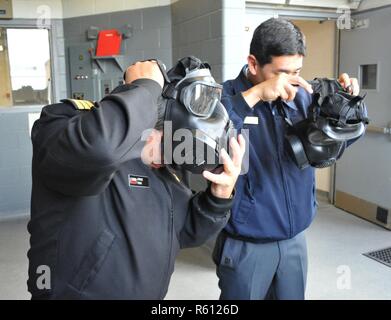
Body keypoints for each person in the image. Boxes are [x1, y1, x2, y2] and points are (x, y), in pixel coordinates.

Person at [27, 59, 245, 300]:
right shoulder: (62, 121)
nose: (167, 159)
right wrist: (146, 86)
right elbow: (101, 149)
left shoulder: (162, 169)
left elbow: (185, 231)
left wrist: (218, 197)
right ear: (147, 121)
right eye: (165, 144)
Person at [212, 18, 364, 300]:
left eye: (297, 71)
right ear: (254, 64)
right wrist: (256, 94)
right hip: (246, 246)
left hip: (295, 241)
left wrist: (346, 108)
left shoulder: (303, 98)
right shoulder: (227, 98)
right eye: (282, 72)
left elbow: (334, 146)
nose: (291, 81)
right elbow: (202, 137)